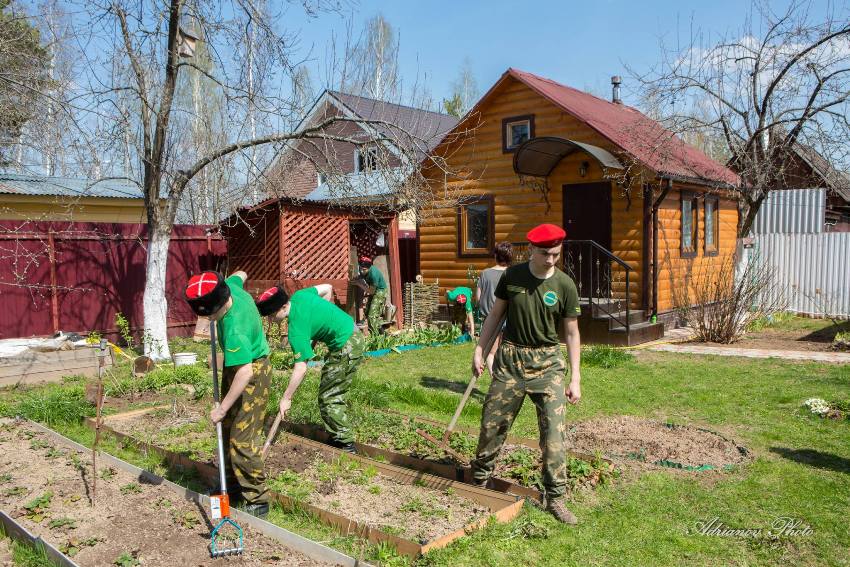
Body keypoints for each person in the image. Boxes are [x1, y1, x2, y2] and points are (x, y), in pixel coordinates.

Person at [470, 224, 583, 525]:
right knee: (492, 423)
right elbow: (496, 315)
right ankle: (479, 480)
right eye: (545, 253)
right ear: (532, 249)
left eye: (556, 254)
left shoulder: (564, 285)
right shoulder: (512, 276)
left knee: (554, 434)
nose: (550, 260)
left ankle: (555, 498)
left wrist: (575, 378)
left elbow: (572, 333)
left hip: (548, 364)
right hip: (511, 360)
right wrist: (480, 350)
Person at [184, 270, 271, 518]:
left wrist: (221, 408)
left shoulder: (235, 329)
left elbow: (245, 372)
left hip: (252, 371)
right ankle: (231, 486)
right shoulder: (231, 287)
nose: (210, 319)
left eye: (211, 315)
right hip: (238, 367)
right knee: (227, 428)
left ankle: (257, 498)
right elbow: (240, 274)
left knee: (242, 437)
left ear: (221, 304)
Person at [255, 283, 364, 454]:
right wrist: (323, 320)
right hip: (351, 332)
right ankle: (337, 436)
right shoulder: (300, 296)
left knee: (329, 397)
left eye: (271, 315)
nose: (270, 320)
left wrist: (286, 398)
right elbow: (328, 288)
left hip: (346, 345)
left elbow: (300, 368)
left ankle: (346, 444)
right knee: (329, 392)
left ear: (283, 307)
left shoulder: (295, 330)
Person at [476, 242, 512, 374]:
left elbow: (478, 297)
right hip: (509, 318)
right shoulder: (511, 274)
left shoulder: (485, 273)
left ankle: (495, 377)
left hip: (490, 319)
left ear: (496, 256)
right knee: (504, 352)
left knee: (491, 352)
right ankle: (499, 378)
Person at [357, 256, 388, 334]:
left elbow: (371, 291)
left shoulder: (374, 274)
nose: (361, 271)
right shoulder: (362, 269)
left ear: (369, 267)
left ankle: (376, 336)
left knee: (372, 315)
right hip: (373, 290)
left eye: (364, 269)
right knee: (367, 312)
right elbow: (360, 276)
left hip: (380, 291)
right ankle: (382, 333)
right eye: (360, 268)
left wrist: (359, 284)